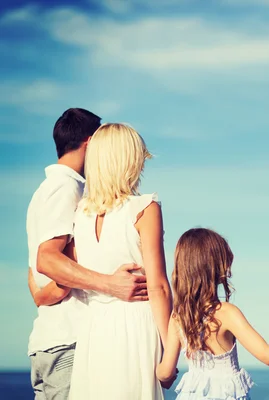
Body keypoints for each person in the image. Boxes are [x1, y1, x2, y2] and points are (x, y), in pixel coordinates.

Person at [26, 109, 149, 399]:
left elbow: (36, 267)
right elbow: (47, 259)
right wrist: (110, 283)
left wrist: (45, 294)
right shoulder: (66, 187)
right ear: (91, 142)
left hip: (51, 341)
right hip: (68, 341)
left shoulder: (45, 190)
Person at [156, 228, 269, 400]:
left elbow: (164, 373)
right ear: (212, 268)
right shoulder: (226, 313)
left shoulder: (178, 317)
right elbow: (268, 355)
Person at [67, 123, 172, 400]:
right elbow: (158, 286)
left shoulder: (80, 213)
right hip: (134, 325)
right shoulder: (145, 208)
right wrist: (169, 347)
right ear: (129, 161)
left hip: (93, 328)